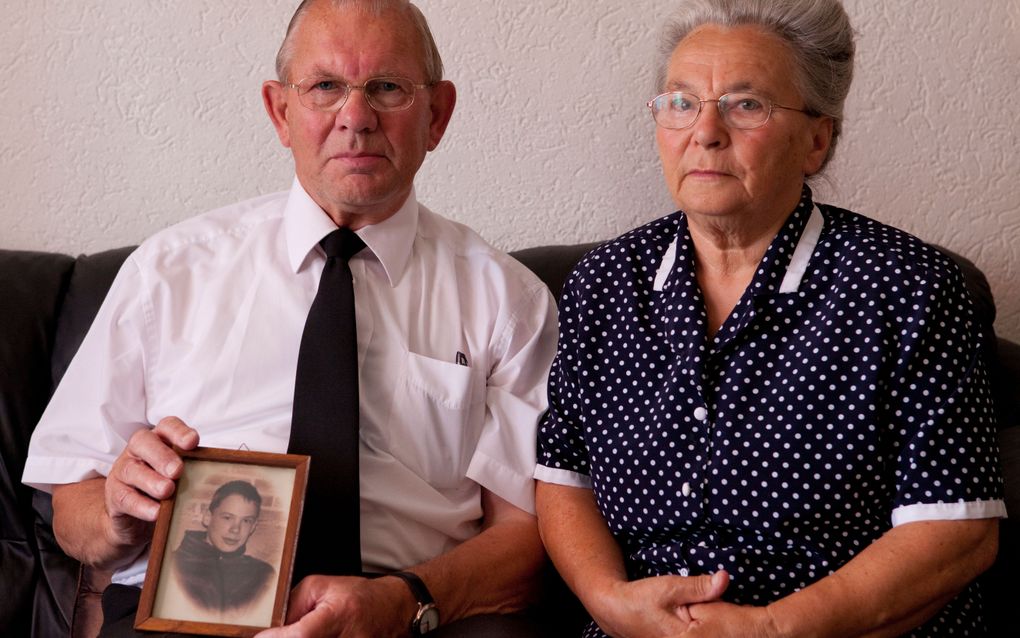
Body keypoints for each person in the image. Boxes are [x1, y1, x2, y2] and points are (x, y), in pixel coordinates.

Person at [22, 0, 558, 636]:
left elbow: (527, 536)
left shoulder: (508, 301)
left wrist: (400, 601)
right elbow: (70, 505)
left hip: (403, 617)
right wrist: (116, 514)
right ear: (280, 110)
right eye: (325, 86)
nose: (355, 118)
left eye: (386, 87)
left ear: (437, 114)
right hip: (183, 618)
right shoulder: (168, 271)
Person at [534, 0, 1005, 636]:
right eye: (680, 102)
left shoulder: (910, 290)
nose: (705, 131)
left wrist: (774, 628)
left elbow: (956, 531)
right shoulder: (605, 284)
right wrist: (606, 599)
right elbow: (564, 474)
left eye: (745, 104)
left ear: (817, 139)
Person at [172, 480, 275, 614]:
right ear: (208, 517)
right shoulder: (172, 565)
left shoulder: (263, 575)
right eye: (227, 518)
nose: (235, 529)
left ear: (253, 527)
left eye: (246, 521)